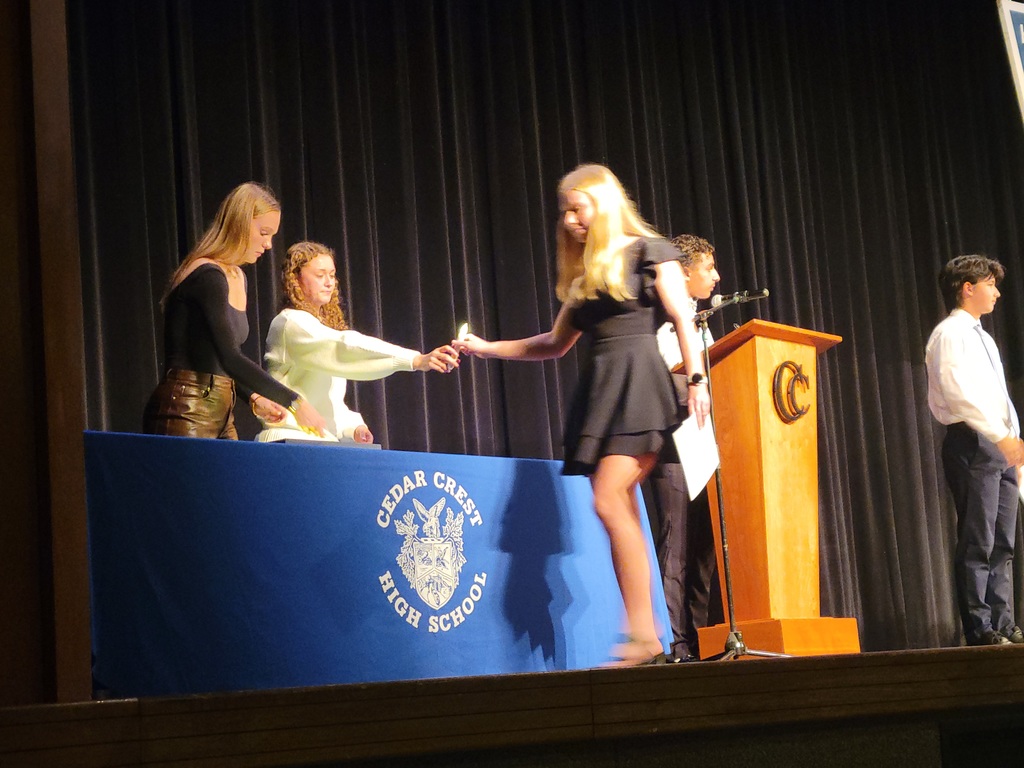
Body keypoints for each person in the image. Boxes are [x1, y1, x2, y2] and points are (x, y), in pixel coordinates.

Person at [454, 164, 710, 665]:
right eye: (565, 211)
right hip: (603, 392)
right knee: (620, 505)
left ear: (604, 204)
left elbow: (682, 315)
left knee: (609, 497)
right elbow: (551, 344)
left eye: (578, 207)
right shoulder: (585, 277)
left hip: (640, 387)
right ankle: (645, 636)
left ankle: (642, 633)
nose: (570, 219)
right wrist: (485, 348)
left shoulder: (648, 251)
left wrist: (698, 380)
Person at [143, 182, 325, 439]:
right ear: (239, 223)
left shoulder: (238, 277)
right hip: (186, 408)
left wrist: (252, 397)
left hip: (222, 410)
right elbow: (230, 356)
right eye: (264, 232)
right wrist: (295, 402)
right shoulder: (208, 275)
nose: (269, 244)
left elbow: (215, 359)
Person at [255, 241, 460, 443]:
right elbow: (343, 346)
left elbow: (327, 400)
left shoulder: (318, 327)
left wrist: (352, 426)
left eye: (332, 275)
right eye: (320, 275)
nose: (329, 282)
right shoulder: (290, 323)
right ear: (296, 279)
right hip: (288, 441)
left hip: (319, 444)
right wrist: (414, 360)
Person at [925, 254, 1024, 646]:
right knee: (978, 540)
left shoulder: (983, 336)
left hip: (997, 445)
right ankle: (979, 627)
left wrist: (1011, 438)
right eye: (990, 284)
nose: (997, 292)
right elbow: (958, 395)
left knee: (1003, 541)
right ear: (968, 288)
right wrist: (997, 436)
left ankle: (1004, 622)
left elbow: (997, 397)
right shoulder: (950, 334)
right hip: (973, 441)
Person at [643, 234, 721, 662]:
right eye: (708, 268)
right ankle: (673, 644)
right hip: (672, 447)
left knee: (704, 552)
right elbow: (661, 382)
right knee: (675, 548)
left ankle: (699, 638)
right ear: (684, 271)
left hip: (704, 447)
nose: (716, 276)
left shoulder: (701, 324)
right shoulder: (660, 323)